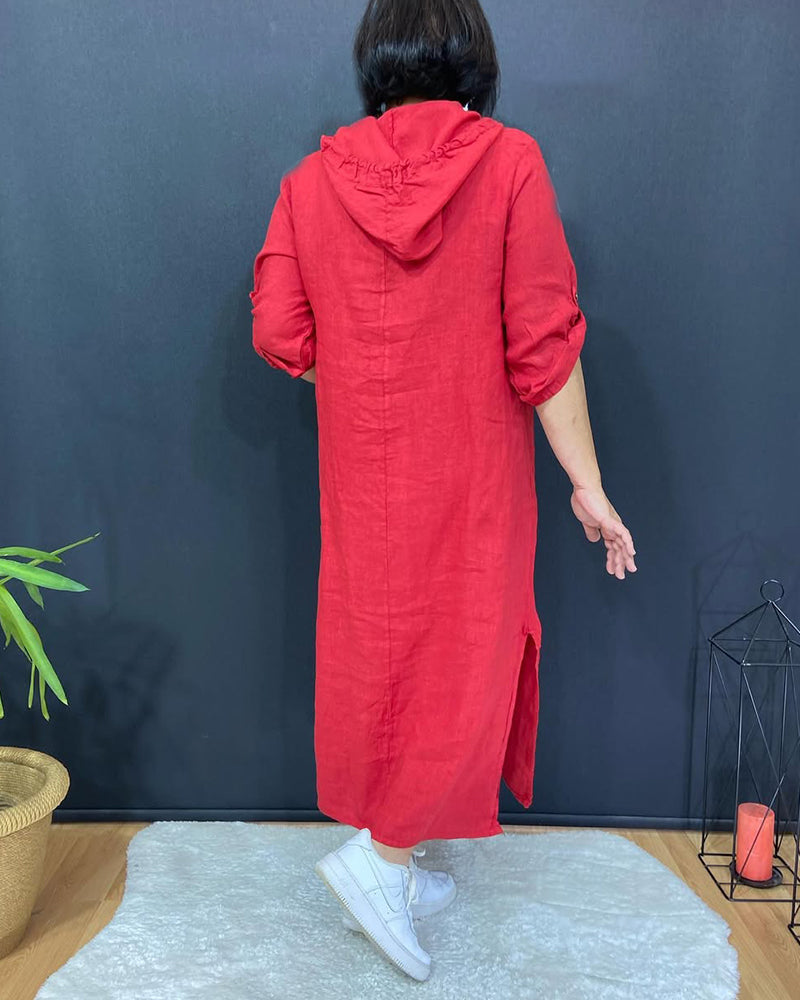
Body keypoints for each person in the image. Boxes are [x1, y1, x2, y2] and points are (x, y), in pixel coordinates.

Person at [249, 0, 636, 982]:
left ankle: (394, 847)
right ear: (473, 60)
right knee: (461, 653)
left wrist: (358, 379)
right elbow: (544, 347)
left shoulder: (307, 184)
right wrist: (588, 486)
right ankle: (379, 863)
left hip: (363, 474)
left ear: (375, 61)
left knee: (381, 651)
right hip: (473, 476)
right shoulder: (509, 165)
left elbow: (279, 331)